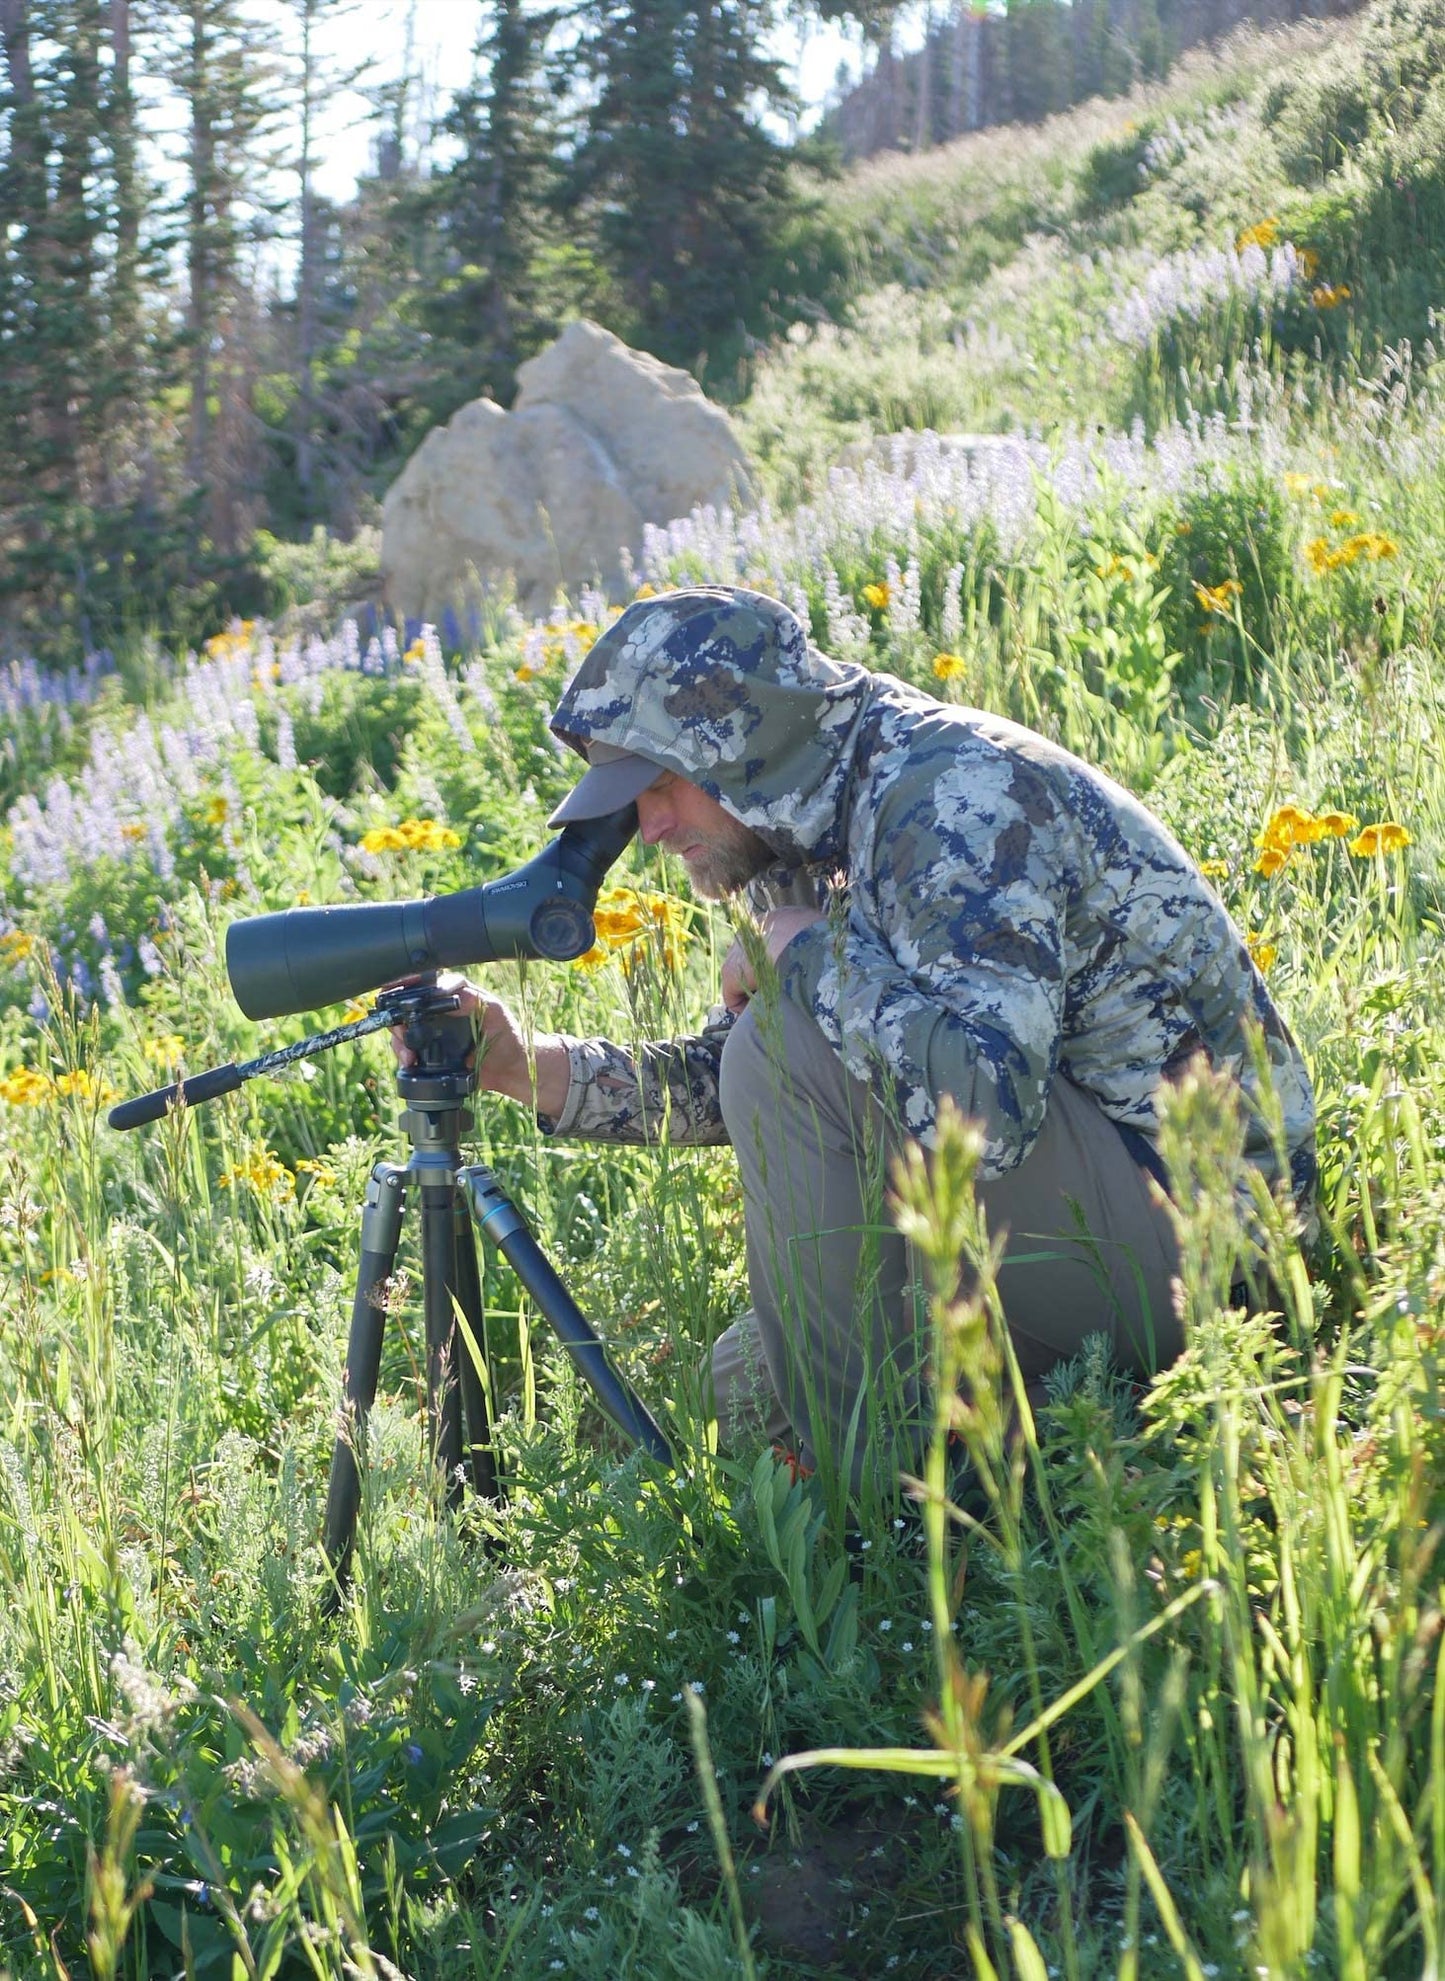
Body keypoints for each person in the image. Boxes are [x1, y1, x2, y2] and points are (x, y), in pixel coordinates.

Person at [399, 585, 1316, 1486]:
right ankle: (997, 1459)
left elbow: (987, 1115)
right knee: (749, 1383)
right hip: (1086, 1224)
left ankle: (897, 1517)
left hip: (1210, 1243)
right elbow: (776, 1086)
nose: (650, 828)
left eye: (662, 782)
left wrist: (807, 959)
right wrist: (530, 1069)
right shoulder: (789, 820)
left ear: (745, 739)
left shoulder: (951, 798)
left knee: (779, 1061)